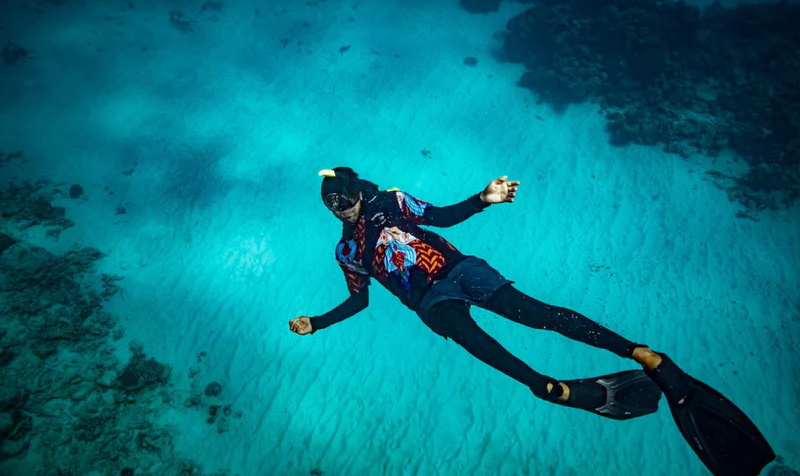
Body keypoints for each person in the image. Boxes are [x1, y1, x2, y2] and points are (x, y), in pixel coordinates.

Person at [290, 167, 775, 476]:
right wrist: (318, 322)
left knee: (538, 315)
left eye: (344, 196)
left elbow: (439, 216)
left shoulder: (391, 202)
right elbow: (358, 303)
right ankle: (547, 386)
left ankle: (640, 352)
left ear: (356, 190)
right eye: (331, 203)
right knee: (475, 342)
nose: (340, 206)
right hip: (430, 303)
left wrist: (484, 198)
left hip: (462, 270)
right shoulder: (347, 251)